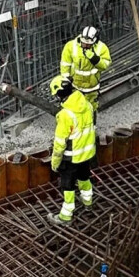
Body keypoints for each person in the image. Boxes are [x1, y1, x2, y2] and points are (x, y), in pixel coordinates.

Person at [47, 76, 96, 226]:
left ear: (58, 95)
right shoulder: (87, 104)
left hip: (71, 157)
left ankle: (65, 216)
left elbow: (60, 143)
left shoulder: (65, 115)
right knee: (84, 177)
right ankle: (88, 202)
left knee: (67, 186)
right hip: (87, 153)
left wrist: (55, 163)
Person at [60, 26, 111, 120]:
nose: (86, 46)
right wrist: (65, 80)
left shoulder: (101, 48)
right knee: (75, 108)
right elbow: (65, 64)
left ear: (95, 40)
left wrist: (95, 60)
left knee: (91, 109)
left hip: (92, 88)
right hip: (75, 86)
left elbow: (105, 65)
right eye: (84, 43)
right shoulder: (71, 46)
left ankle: (91, 126)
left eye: (89, 44)